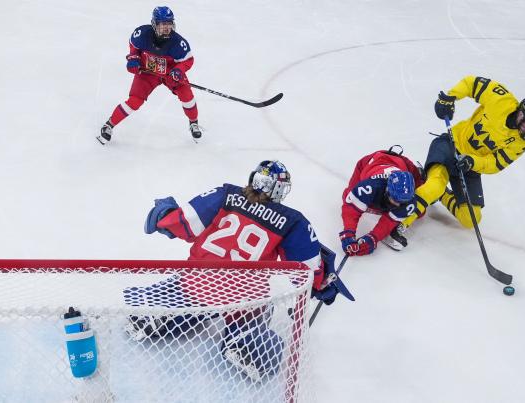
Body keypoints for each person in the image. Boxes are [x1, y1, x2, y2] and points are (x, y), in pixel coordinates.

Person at [139, 160, 353, 380]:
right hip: (243, 295)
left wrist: (164, 214)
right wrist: (321, 283)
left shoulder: (225, 194)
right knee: (261, 313)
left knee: (185, 291)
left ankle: (156, 311)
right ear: (279, 189)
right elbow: (306, 268)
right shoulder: (293, 221)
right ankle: (246, 344)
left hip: (198, 280)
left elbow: (184, 222)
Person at [401, 76, 525, 230]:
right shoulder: (501, 100)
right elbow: (472, 83)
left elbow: (496, 164)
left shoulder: (522, 143)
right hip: (451, 145)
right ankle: (400, 222)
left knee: (471, 219)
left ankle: (442, 194)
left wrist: (472, 162)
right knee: (435, 186)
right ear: (521, 113)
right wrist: (450, 97)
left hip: (469, 165)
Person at [97, 6, 202, 145]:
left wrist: (178, 71)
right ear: (154, 24)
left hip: (170, 73)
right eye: (163, 24)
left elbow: (188, 60)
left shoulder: (178, 43)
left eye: (169, 23)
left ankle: (193, 123)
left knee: (187, 96)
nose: (167, 27)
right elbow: (133, 46)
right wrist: (133, 59)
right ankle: (109, 125)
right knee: (134, 101)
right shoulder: (142, 34)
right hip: (148, 72)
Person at [339, 146, 425, 256]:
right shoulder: (370, 187)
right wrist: (348, 232)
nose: (398, 204)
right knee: (347, 196)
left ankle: (420, 174)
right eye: (395, 199)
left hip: (404, 164)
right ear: (387, 190)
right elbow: (350, 207)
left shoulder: (409, 202)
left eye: (403, 201)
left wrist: (373, 238)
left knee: (421, 212)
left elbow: (389, 221)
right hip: (369, 162)